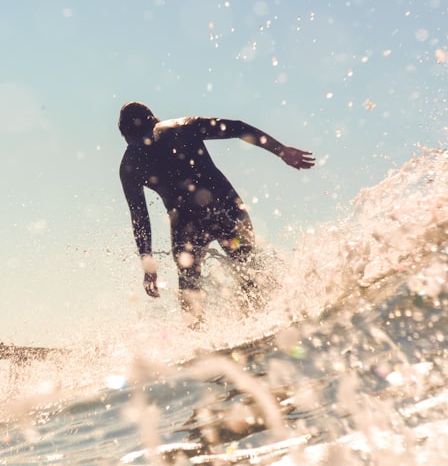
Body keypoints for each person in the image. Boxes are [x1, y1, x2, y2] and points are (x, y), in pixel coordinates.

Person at [118, 101, 315, 324]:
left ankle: (200, 347)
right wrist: (280, 150)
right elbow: (239, 128)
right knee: (249, 269)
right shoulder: (181, 126)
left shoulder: (129, 163)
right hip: (223, 208)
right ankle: (274, 324)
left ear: (125, 134)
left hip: (185, 225)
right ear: (153, 118)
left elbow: (140, 218)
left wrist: (148, 263)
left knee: (190, 295)